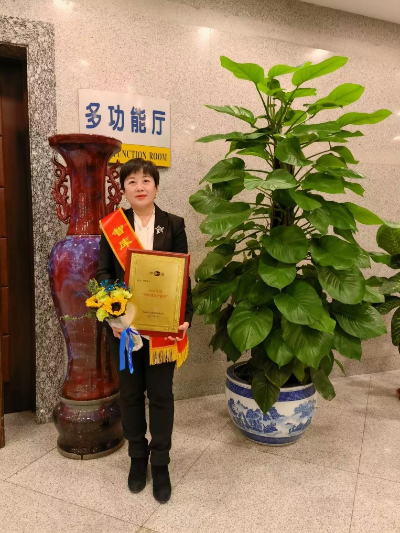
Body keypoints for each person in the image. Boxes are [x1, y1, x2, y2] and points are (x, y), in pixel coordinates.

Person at [97, 158, 193, 504]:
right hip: (125, 329)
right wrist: (115, 318)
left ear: (156, 186)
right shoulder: (113, 226)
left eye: (146, 180)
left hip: (163, 328)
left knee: (162, 395)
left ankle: (161, 462)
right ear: (123, 189)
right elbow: (104, 274)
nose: (140, 187)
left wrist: (185, 317)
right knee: (131, 394)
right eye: (132, 181)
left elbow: (182, 275)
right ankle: (137, 458)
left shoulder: (174, 224)